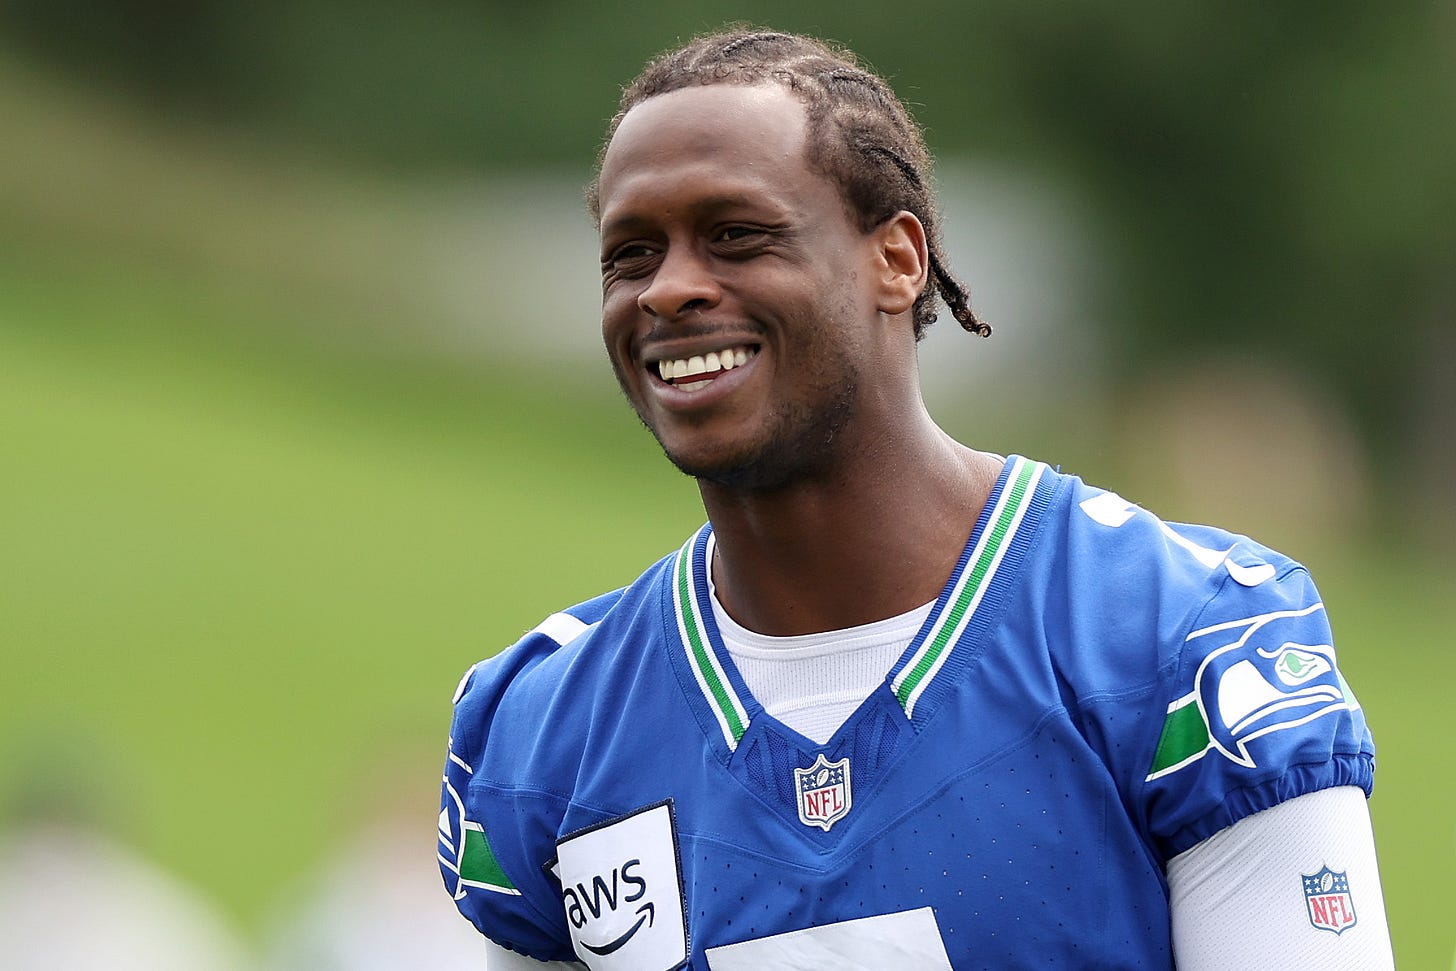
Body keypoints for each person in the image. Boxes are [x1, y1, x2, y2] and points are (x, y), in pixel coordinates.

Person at [438, 27, 1393, 969]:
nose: (670, 289)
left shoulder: (1179, 640)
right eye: (633, 255)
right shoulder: (548, 727)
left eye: (737, 236)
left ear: (897, 260)